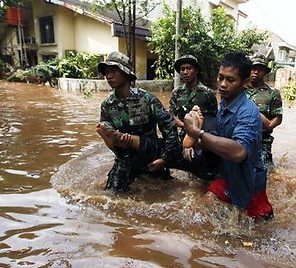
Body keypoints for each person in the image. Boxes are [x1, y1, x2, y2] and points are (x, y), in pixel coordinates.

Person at [183, 52, 274, 220]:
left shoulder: (248, 112)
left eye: (230, 80)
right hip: (229, 174)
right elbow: (219, 140)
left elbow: (239, 152)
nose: (223, 84)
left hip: (249, 181)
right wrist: (195, 142)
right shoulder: (224, 104)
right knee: (206, 204)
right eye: (220, 78)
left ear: (245, 83)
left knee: (256, 229)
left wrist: (198, 133)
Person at [96, 51, 182, 192]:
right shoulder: (107, 105)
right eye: (106, 73)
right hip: (127, 157)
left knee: (169, 192)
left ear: (126, 73)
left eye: (113, 71)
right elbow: (108, 131)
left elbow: (170, 129)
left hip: (150, 153)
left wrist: (165, 159)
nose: (108, 76)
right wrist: (109, 133)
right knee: (111, 193)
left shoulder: (147, 99)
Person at [169, 55, 218, 154]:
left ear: (196, 71)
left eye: (189, 68)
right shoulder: (176, 92)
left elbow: (214, 119)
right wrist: (185, 126)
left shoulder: (208, 93)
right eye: (182, 69)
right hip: (182, 138)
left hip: (203, 140)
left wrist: (197, 134)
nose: (185, 72)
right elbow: (171, 115)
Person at [245, 54, 283, 169]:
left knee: (265, 170)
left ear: (265, 73)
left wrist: (268, 126)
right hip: (238, 137)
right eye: (253, 68)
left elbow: (278, 117)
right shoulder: (238, 89)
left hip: (262, 139)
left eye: (260, 70)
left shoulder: (272, 93)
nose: (256, 72)